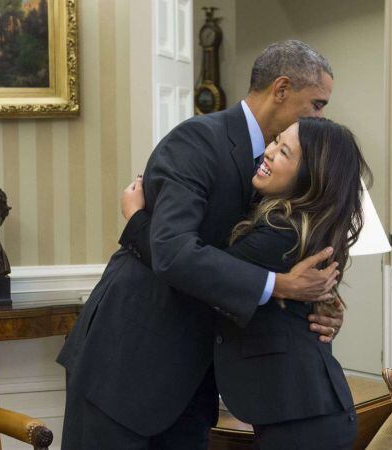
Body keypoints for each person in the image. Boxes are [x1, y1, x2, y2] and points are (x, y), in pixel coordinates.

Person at [57, 40, 343, 449]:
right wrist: (280, 285)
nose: (321, 116)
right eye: (317, 103)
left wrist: (320, 306)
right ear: (281, 89)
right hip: (124, 365)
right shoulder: (196, 140)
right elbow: (174, 253)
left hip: (197, 377)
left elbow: (263, 255)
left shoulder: (292, 168)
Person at [123, 116, 370, 450]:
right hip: (303, 413)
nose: (267, 153)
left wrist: (137, 221)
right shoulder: (296, 224)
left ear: (309, 176)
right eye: (275, 140)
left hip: (302, 419)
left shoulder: (282, 233)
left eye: (284, 152)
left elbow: (199, 277)